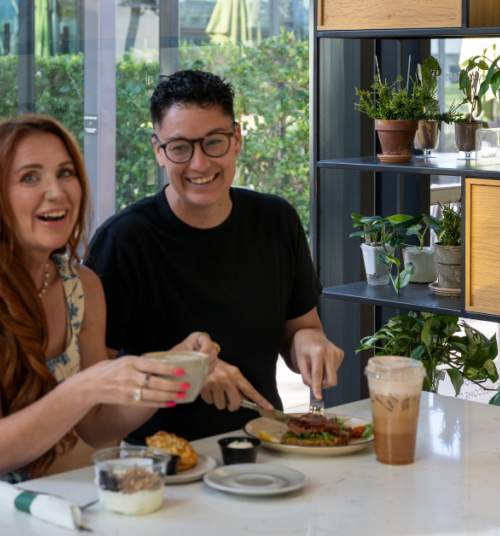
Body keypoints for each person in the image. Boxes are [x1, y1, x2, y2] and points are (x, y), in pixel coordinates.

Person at [0, 115, 216, 535]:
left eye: (66, 173)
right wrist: (89, 384)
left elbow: (94, 426)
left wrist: (172, 370)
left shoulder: (82, 286)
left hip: (33, 495)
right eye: (29, 178)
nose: (56, 192)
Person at [85, 70, 344, 443]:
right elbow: (94, 394)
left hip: (266, 444)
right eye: (179, 148)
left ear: (236, 139)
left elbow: (300, 329)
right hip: (163, 462)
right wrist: (184, 372)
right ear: (158, 151)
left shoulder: (276, 220)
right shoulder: (123, 241)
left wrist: (309, 342)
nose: (200, 163)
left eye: (214, 142)